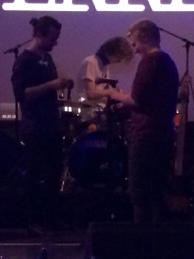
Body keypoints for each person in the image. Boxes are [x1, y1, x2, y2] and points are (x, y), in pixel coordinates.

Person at [107, 19, 181, 223]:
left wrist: (112, 93)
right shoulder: (167, 61)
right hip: (162, 134)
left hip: (146, 136)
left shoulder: (150, 61)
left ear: (144, 37)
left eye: (134, 42)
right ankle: (157, 238)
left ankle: (143, 237)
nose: (133, 48)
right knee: (155, 192)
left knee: (139, 193)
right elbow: (151, 99)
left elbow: (136, 99)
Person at [11, 15, 72, 223]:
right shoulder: (24, 60)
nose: (55, 42)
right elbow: (21, 93)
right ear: (40, 35)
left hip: (51, 123)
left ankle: (51, 218)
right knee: (35, 173)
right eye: (53, 38)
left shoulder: (47, 58)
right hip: (35, 126)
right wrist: (51, 85)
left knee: (54, 172)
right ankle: (34, 220)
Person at [77, 36, 134, 103]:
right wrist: (111, 91)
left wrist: (119, 92)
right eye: (120, 57)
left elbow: (103, 88)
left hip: (97, 105)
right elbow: (91, 94)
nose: (119, 61)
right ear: (112, 52)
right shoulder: (90, 62)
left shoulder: (104, 66)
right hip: (87, 106)